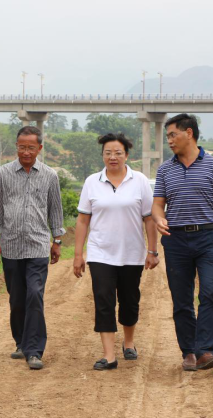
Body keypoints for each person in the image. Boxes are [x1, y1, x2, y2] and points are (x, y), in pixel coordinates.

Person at [152, 113, 213, 371]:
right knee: (181, 298)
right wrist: (159, 219)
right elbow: (157, 205)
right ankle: (188, 351)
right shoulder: (165, 169)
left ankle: (205, 351)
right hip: (176, 239)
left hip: (208, 238)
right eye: (168, 136)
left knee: (209, 292)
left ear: (188, 133)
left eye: (172, 135)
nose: (169, 140)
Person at [73, 133, 160, 371]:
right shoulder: (92, 181)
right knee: (103, 300)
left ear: (126, 155)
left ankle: (129, 342)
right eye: (108, 153)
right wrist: (78, 254)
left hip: (131, 253)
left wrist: (152, 250)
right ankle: (109, 356)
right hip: (100, 253)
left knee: (130, 301)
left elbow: (149, 219)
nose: (113, 157)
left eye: (118, 153)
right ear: (102, 156)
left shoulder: (139, 180)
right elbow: (82, 221)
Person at [0, 126, 65, 370]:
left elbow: (55, 210)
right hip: (10, 245)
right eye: (22, 147)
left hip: (39, 245)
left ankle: (34, 350)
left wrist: (57, 240)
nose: (26, 152)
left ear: (40, 148)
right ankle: (20, 341)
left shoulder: (50, 175)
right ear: (17, 147)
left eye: (31, 147)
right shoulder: (3, 173)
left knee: (34, 296)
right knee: (17, 298)